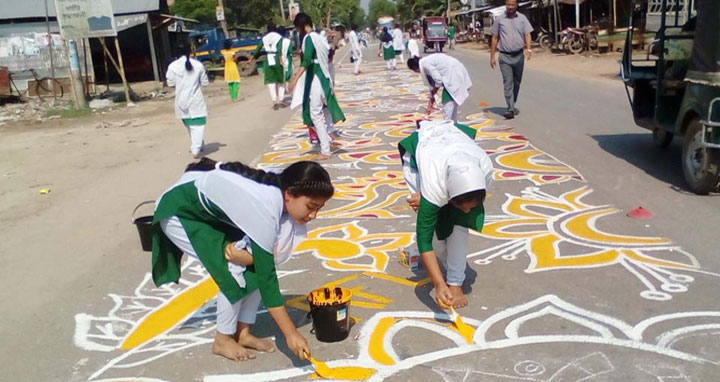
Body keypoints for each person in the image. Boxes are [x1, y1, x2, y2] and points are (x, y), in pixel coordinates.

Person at [151, 158, 334, 361]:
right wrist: (291, 334)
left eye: (319, 208)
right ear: (289, 194)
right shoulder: (265, 207)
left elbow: (266, 260)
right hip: (180, 213)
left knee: (251, 267)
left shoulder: (281, 191)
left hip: (208, 213)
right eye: (311, 206)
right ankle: (223, 339)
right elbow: (268, 281)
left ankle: (243, 333)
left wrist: (249, 257)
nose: (314, 215)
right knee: (233, 272)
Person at [398, 120, 493, 309]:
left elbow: (465, 202)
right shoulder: (435, 184)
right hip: (423, 156)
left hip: (452, 145)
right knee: (433, 229)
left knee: (459, 224)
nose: (468, 210)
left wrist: (451, 283)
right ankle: (448, 275)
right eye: (462, 205)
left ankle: (456, 282)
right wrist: (438, 284)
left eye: (472, 206)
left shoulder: (485, 171)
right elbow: (424, 240)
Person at [289, 13, 345, 160]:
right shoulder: (319, 38)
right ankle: (327, 142)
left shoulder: (309, 39)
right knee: (318, 112)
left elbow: (307, 60)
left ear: (300, 26)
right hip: (323, 77)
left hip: (316, 78)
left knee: (315, 113)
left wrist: (294, 79)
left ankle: (326, 149)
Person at [490, 0, 533, 119]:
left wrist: (528, 49)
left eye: (512, 5)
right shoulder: (499, 19)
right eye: (508, 5)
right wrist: (492, 56)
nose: (510, 7)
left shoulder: (522, 18)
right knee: (508, 82)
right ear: (505, 5)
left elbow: (528, 34)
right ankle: (509, 108)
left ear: (516, 5)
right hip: (504, 57)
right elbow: (494, 38)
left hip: (519, 56)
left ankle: (512, 104)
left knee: (517, 83)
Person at [166, 42, 209, 159]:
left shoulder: (172, 66)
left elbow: (170, 83)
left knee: (190, 124)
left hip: (181, 101)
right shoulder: (198, 65)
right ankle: (196, 148)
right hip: (196, 100)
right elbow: (205, 82)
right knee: (198, 125)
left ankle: (198, 144)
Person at [407, 54, 472, 122]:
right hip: (453, 74)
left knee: (448, 106)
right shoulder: (425, 62)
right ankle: (452, 124)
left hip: (453, 75)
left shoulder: (426, 65)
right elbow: (432, 86)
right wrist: (430, 106)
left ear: (415, 68)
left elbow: (438, 81)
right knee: (452, 106)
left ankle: (448, 126)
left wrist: (434, 92)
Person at [254, 24, 287, 110]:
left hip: (268, 60)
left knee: (271, 81)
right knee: (281, 80)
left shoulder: (264, 38)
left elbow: (258, 49)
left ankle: (274, 101)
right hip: (276, 59)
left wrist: (252, 57)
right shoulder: (279, 37)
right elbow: (280, 49)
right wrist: (281, 59)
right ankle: (281, 99)